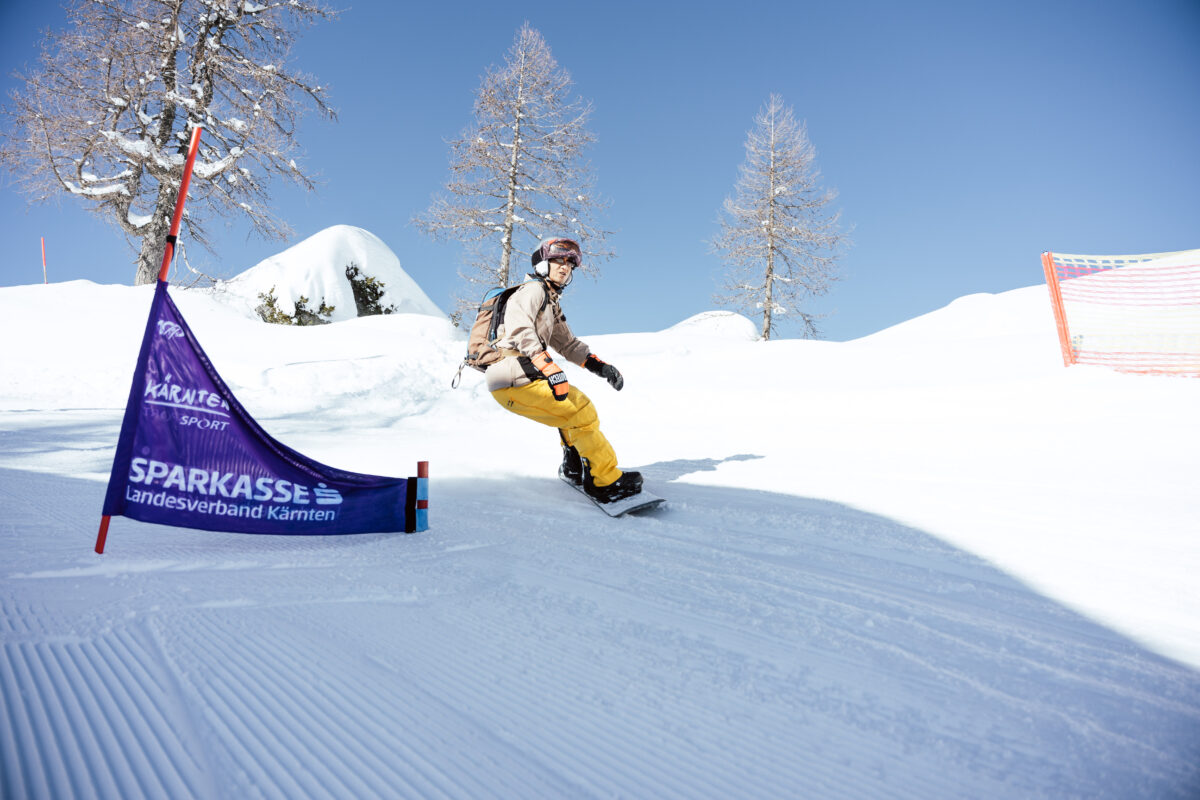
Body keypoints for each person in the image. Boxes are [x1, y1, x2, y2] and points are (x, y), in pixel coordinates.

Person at [486, 237, 642, 503]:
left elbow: (567, 344)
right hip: (513, 375)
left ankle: (573, 466)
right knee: (582, 410)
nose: (565, 267)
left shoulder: (550, 301)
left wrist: (600, 367)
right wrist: (548, 366)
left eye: (570, 263)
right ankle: (604, 481)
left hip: (521, 375)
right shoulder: (532, 291)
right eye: (558, 260)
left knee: (570, 411)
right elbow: (520, 329)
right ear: (542, 264)